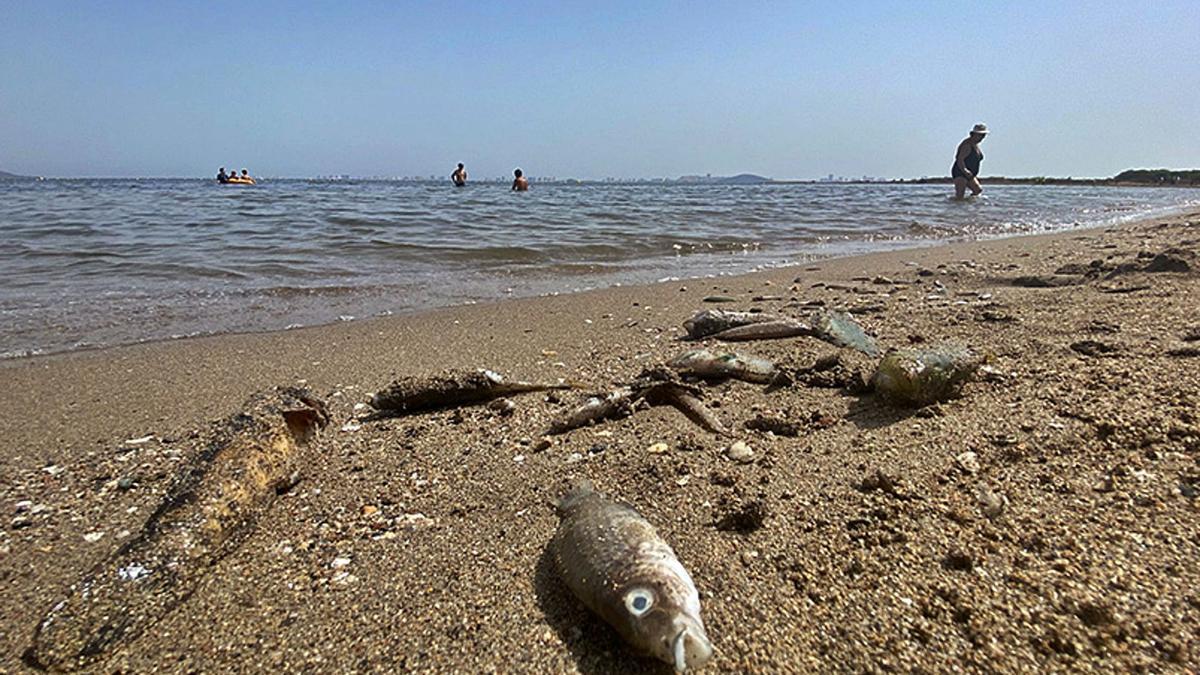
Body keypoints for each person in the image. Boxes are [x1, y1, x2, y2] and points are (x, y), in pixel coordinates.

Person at [952, 123, 988, 198]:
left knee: (977, 190)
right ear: (973, 134)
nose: (982, 137)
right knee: (960, 195)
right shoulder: (967, 145)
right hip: (961, 172)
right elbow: (959, 159)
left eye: (983, 135)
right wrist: (965, 170)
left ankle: (970, 206)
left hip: (970, 174)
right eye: (980, 135)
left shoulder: (975, 145)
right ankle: (957, 208)